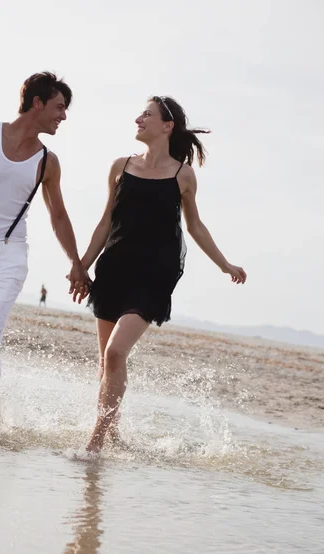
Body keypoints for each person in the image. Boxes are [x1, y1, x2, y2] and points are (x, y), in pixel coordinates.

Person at [78, 95, 247, 454]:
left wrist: (225, 265)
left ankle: (95, 443)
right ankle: (114, 433)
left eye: (147, 114)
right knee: (105, 363)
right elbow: (105, 222)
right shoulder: (120, 166)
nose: (138, 119)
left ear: (167, 126)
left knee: (115, 353)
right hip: (114, 267)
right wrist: (81, 265)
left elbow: (195, 226)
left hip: (155, 273)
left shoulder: (181, 174)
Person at [0, 72, 89, 391]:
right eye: (59, 107)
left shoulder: (47, 162)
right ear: (37, 103)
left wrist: (76, 262)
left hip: (9, 254)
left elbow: (60, 216)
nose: (63, 116)